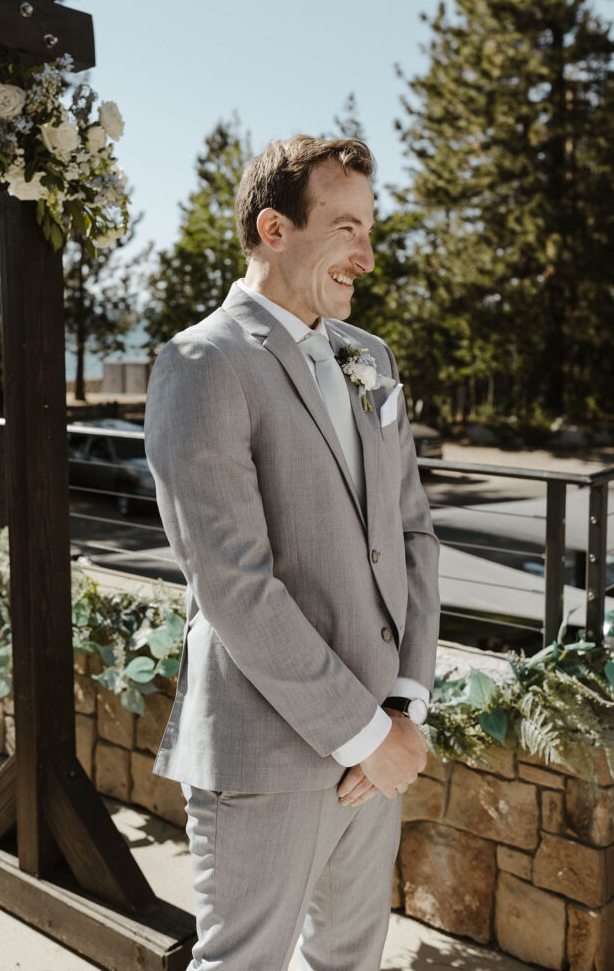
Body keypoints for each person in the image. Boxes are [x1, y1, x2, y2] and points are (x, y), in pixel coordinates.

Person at [144, 135, 440, 971]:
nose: (367, 256)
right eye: (347, 228)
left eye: (369, 231)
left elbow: (414, 533)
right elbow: (235, 587)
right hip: (266, 754)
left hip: (380, 744)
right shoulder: (201, 363)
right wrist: (361, 735)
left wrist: (404, 710)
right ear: (275, 228)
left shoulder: (369, 359)